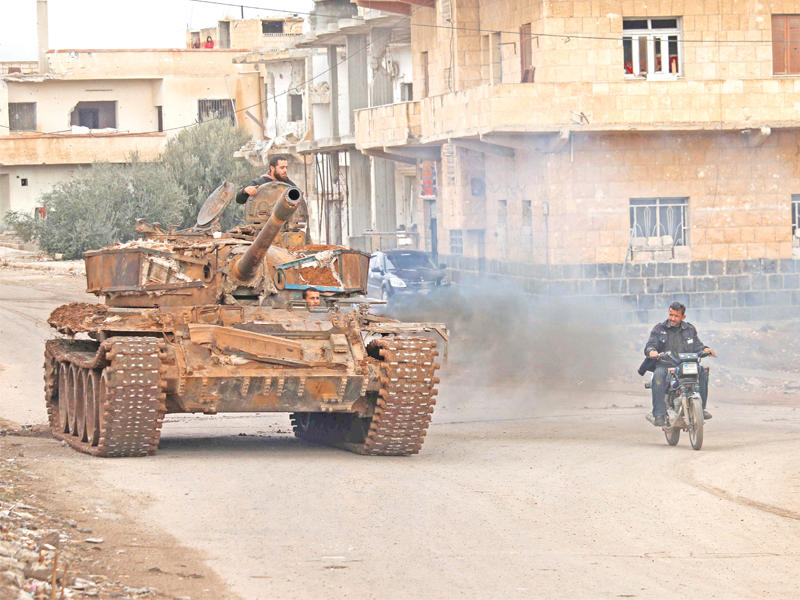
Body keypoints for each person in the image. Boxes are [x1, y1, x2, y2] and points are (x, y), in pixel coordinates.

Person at [640, 301, 717, 426]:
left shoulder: (690, 329)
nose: (672, 318)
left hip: (685, 365)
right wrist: (652, 351)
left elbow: (698, 346)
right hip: (665, 364)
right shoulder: (659, 329)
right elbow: (650, 344)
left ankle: (701, 409)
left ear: (683, 317)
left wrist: (706, 350)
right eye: (671, 315)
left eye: (676, 316)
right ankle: (659, 414)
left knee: (703, 371)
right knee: (658, 376)